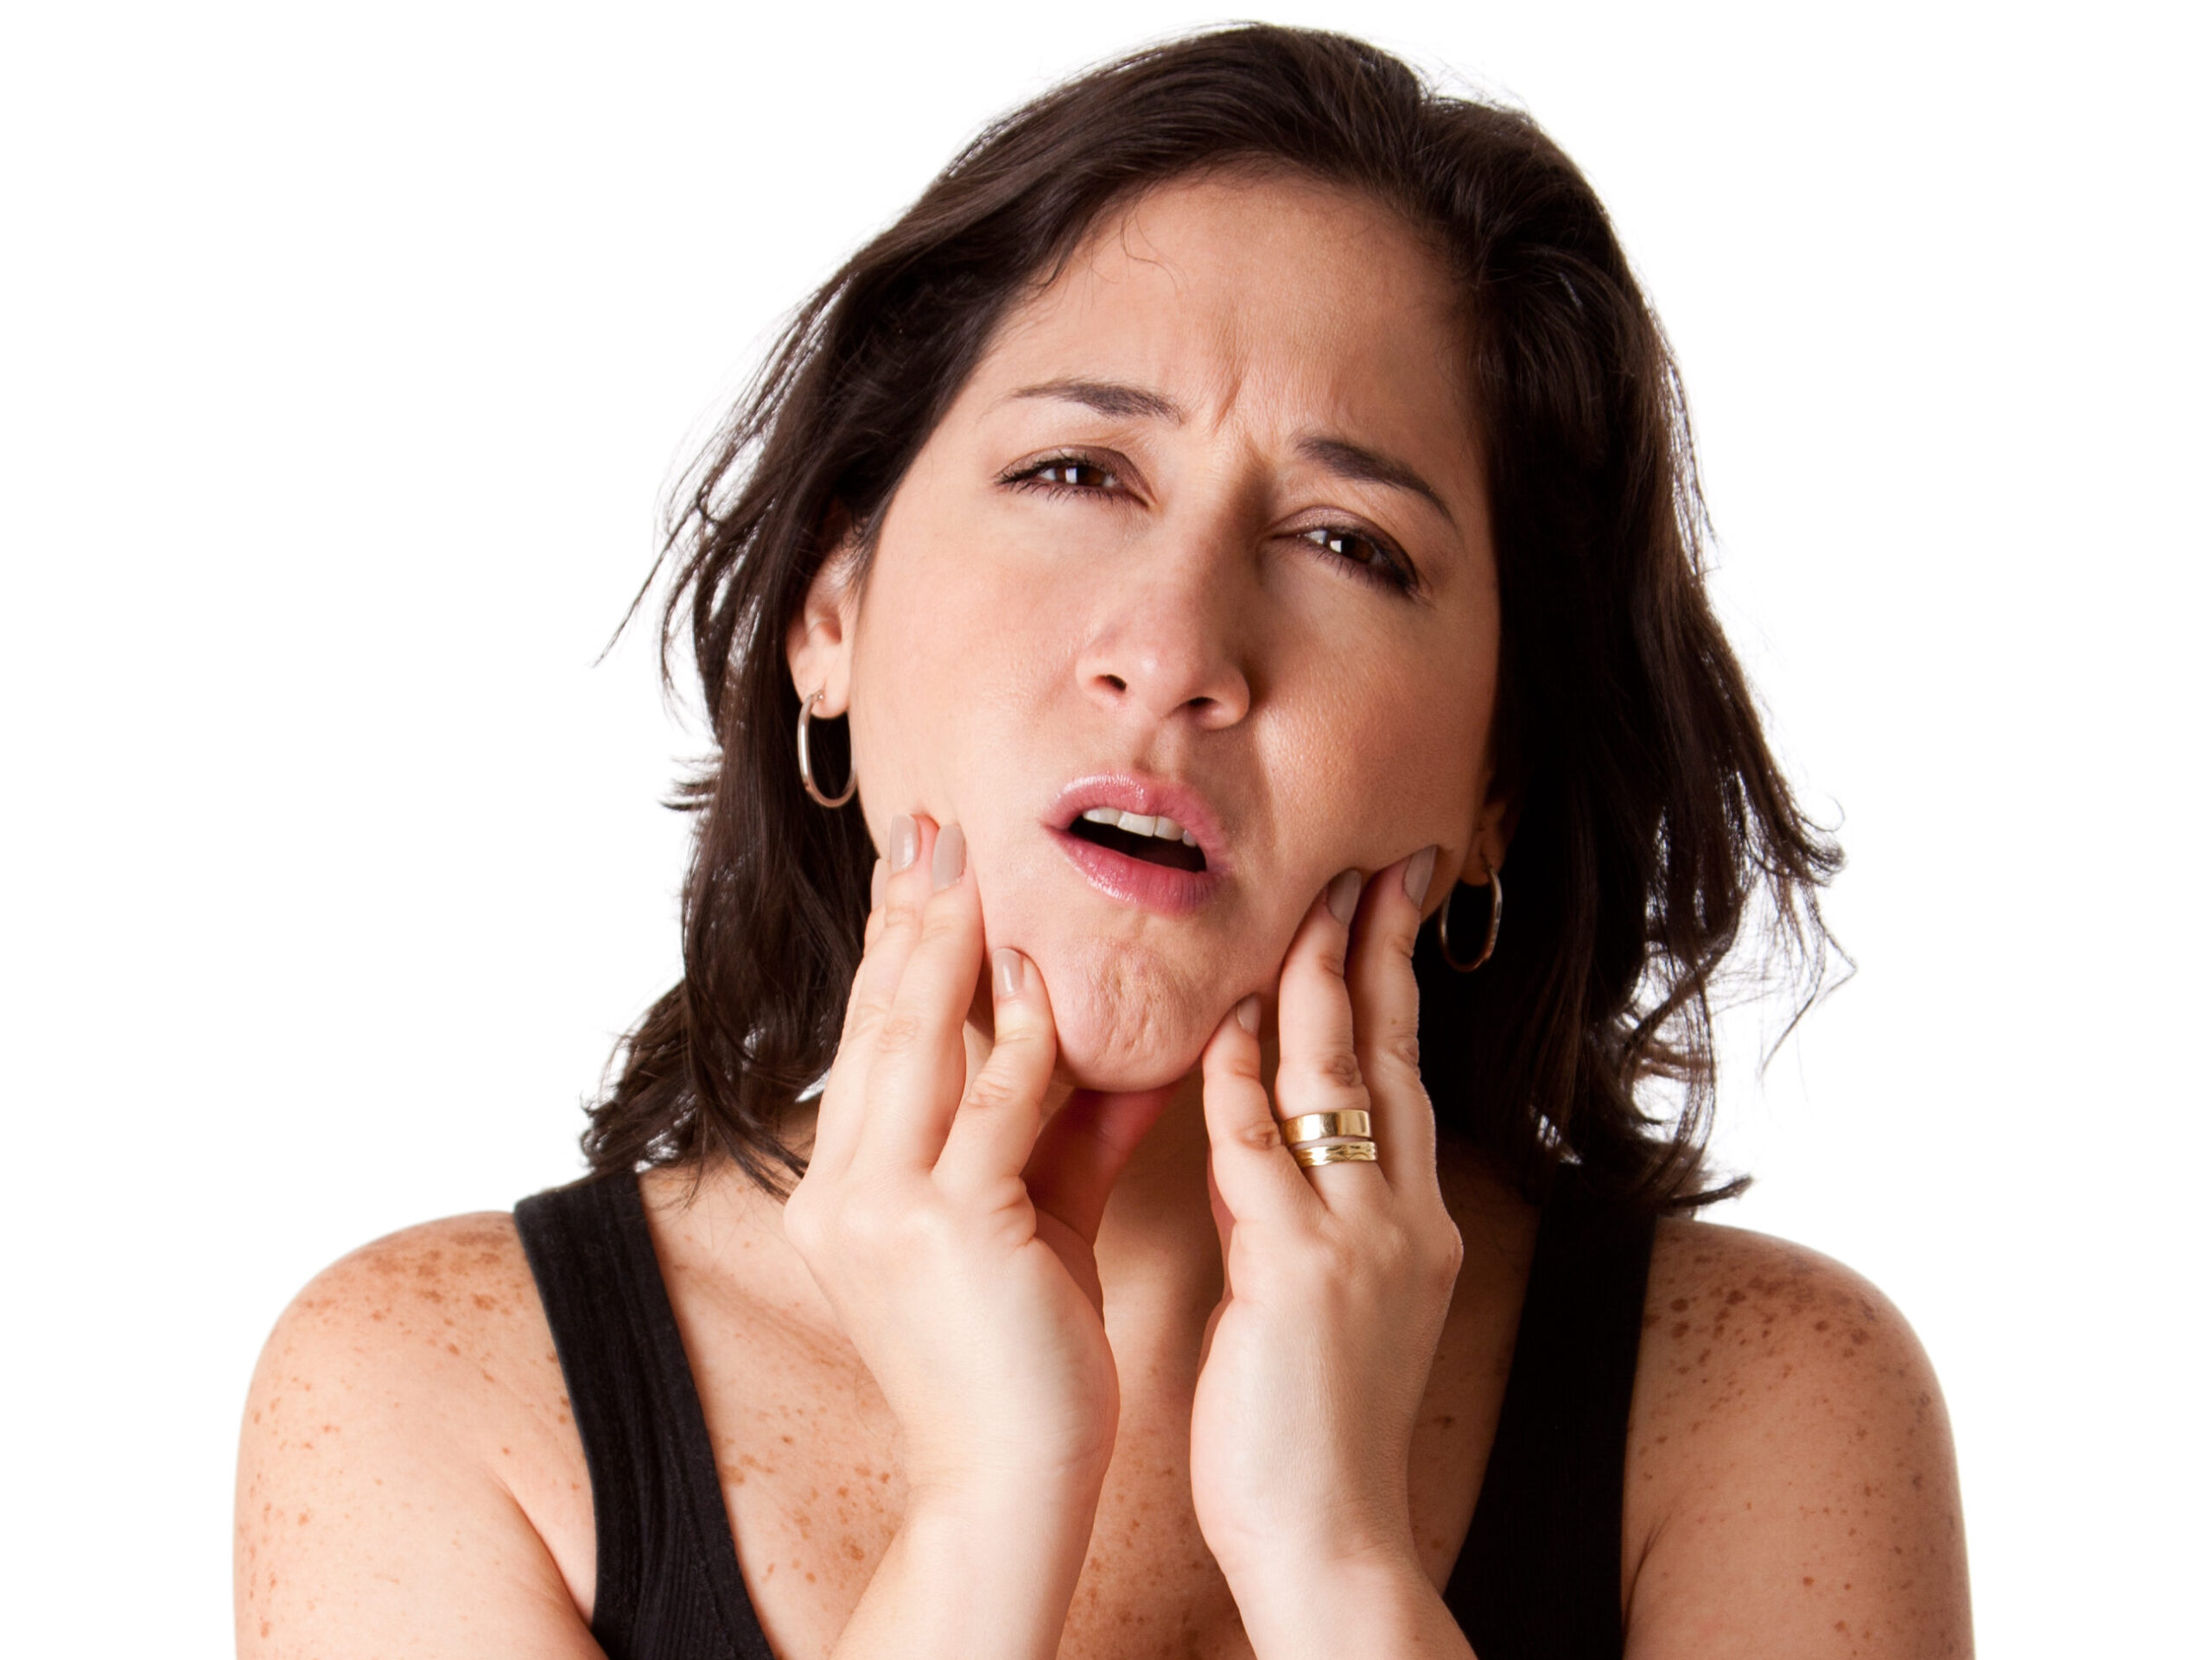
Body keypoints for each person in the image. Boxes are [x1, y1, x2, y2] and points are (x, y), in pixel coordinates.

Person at [234, 25, 1972, 1659]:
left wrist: (1330, 1560)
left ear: (1493, 782)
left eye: (1348, 542)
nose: (1175, 647)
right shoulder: (431, 1395)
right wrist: (988, 1513)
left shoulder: (1764, 1401)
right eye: (1076, 474)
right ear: (831, 606)